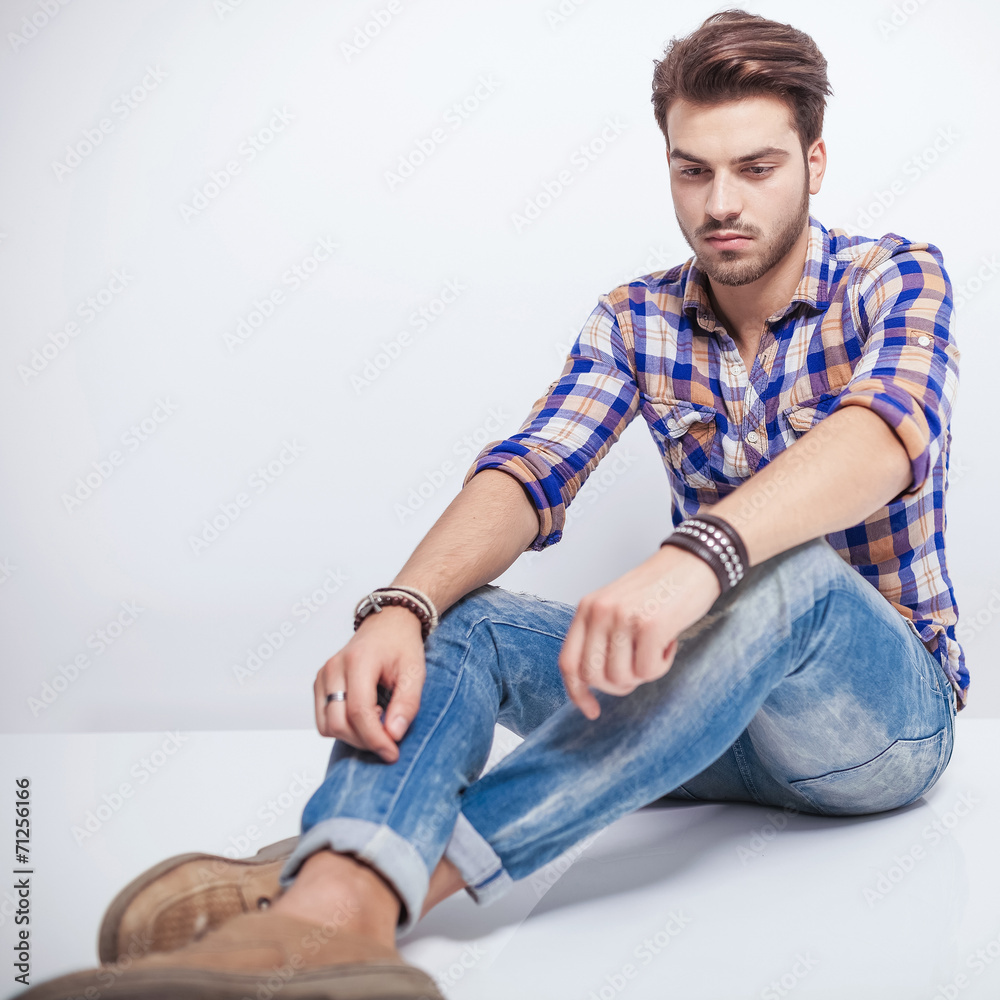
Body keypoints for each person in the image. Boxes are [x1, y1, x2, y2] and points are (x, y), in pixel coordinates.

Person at [24, 9, 964, 1000]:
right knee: (458, 615)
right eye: (692, 170)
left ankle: (348, 897)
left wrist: (694, 560)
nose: (720, 201)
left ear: (815, 161)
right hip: (704, 724)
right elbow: (532, 466)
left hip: (880, 723)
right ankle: (337, 903)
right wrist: (401, 606)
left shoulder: (894, 276)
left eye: (756, 168)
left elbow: (879, 438)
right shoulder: (636, 317)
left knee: (791, 577)